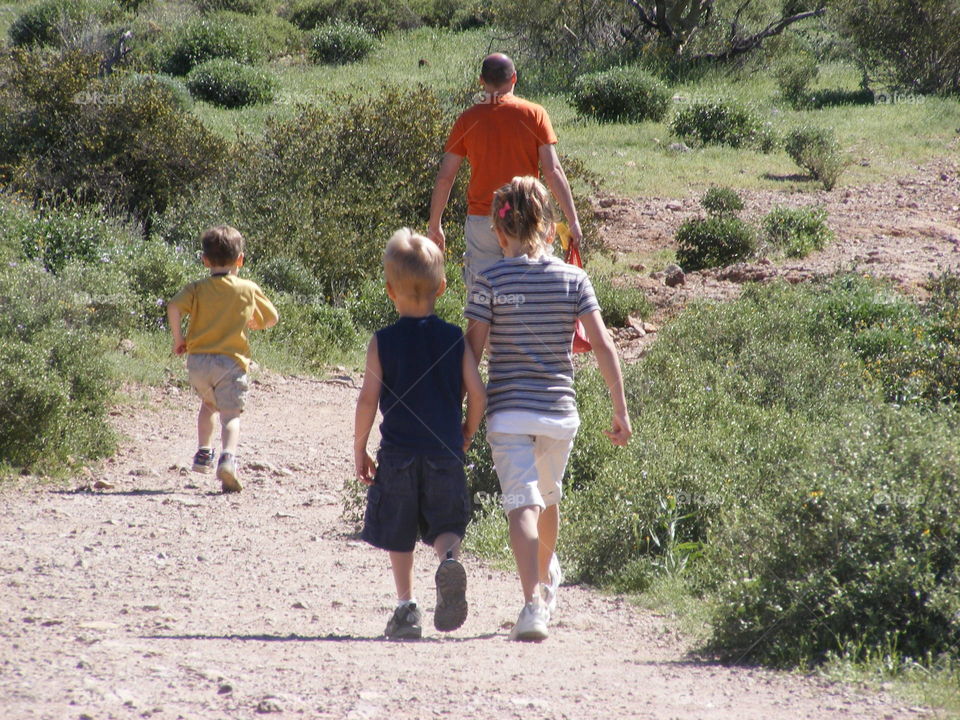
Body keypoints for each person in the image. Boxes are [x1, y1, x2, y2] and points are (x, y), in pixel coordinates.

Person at [464, 177, 631, 642]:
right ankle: (545, 582)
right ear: (548, 225)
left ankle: (532, 603)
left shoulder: (488, 280)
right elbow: (602, 343)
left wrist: (465, 417)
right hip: (560, 413)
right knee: (549, 498)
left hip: (508, 414)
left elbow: (470, 356)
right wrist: (620, 408)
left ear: (500, 232)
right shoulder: (573, 277)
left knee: (522, 503)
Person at [354, 228, 486, 639]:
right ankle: (448, 560)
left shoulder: (383, 342)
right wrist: (467, 429)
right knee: (446, 524)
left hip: (397, 454)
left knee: (399, 530)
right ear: (442, 288)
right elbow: (478, 394)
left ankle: (406, 608)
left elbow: (366, 402)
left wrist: (359, 447)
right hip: (445, 451)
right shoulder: (453, 339)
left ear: (389, 290)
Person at [428, 52, 583, 290]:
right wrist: (572, 220)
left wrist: (435, 224)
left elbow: (445, 178)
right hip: (527, 216)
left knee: (484, 295)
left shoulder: (467, 120)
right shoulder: (535, 114)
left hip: (483, 219)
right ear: (514, 79)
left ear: (481, 81)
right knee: (531, 289)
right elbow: (553, 171)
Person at [167, 225, 278, 493]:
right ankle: (227, 458)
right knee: (231, 415)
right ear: (240, 260)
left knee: (208, 405)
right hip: (231, 363)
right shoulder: (247, 289)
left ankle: (204, 452)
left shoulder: (196, 288)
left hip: (198, 363)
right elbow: (272, 317)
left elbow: (173, 306)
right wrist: (254, 322)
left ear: (205, 260)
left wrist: (178, 339)